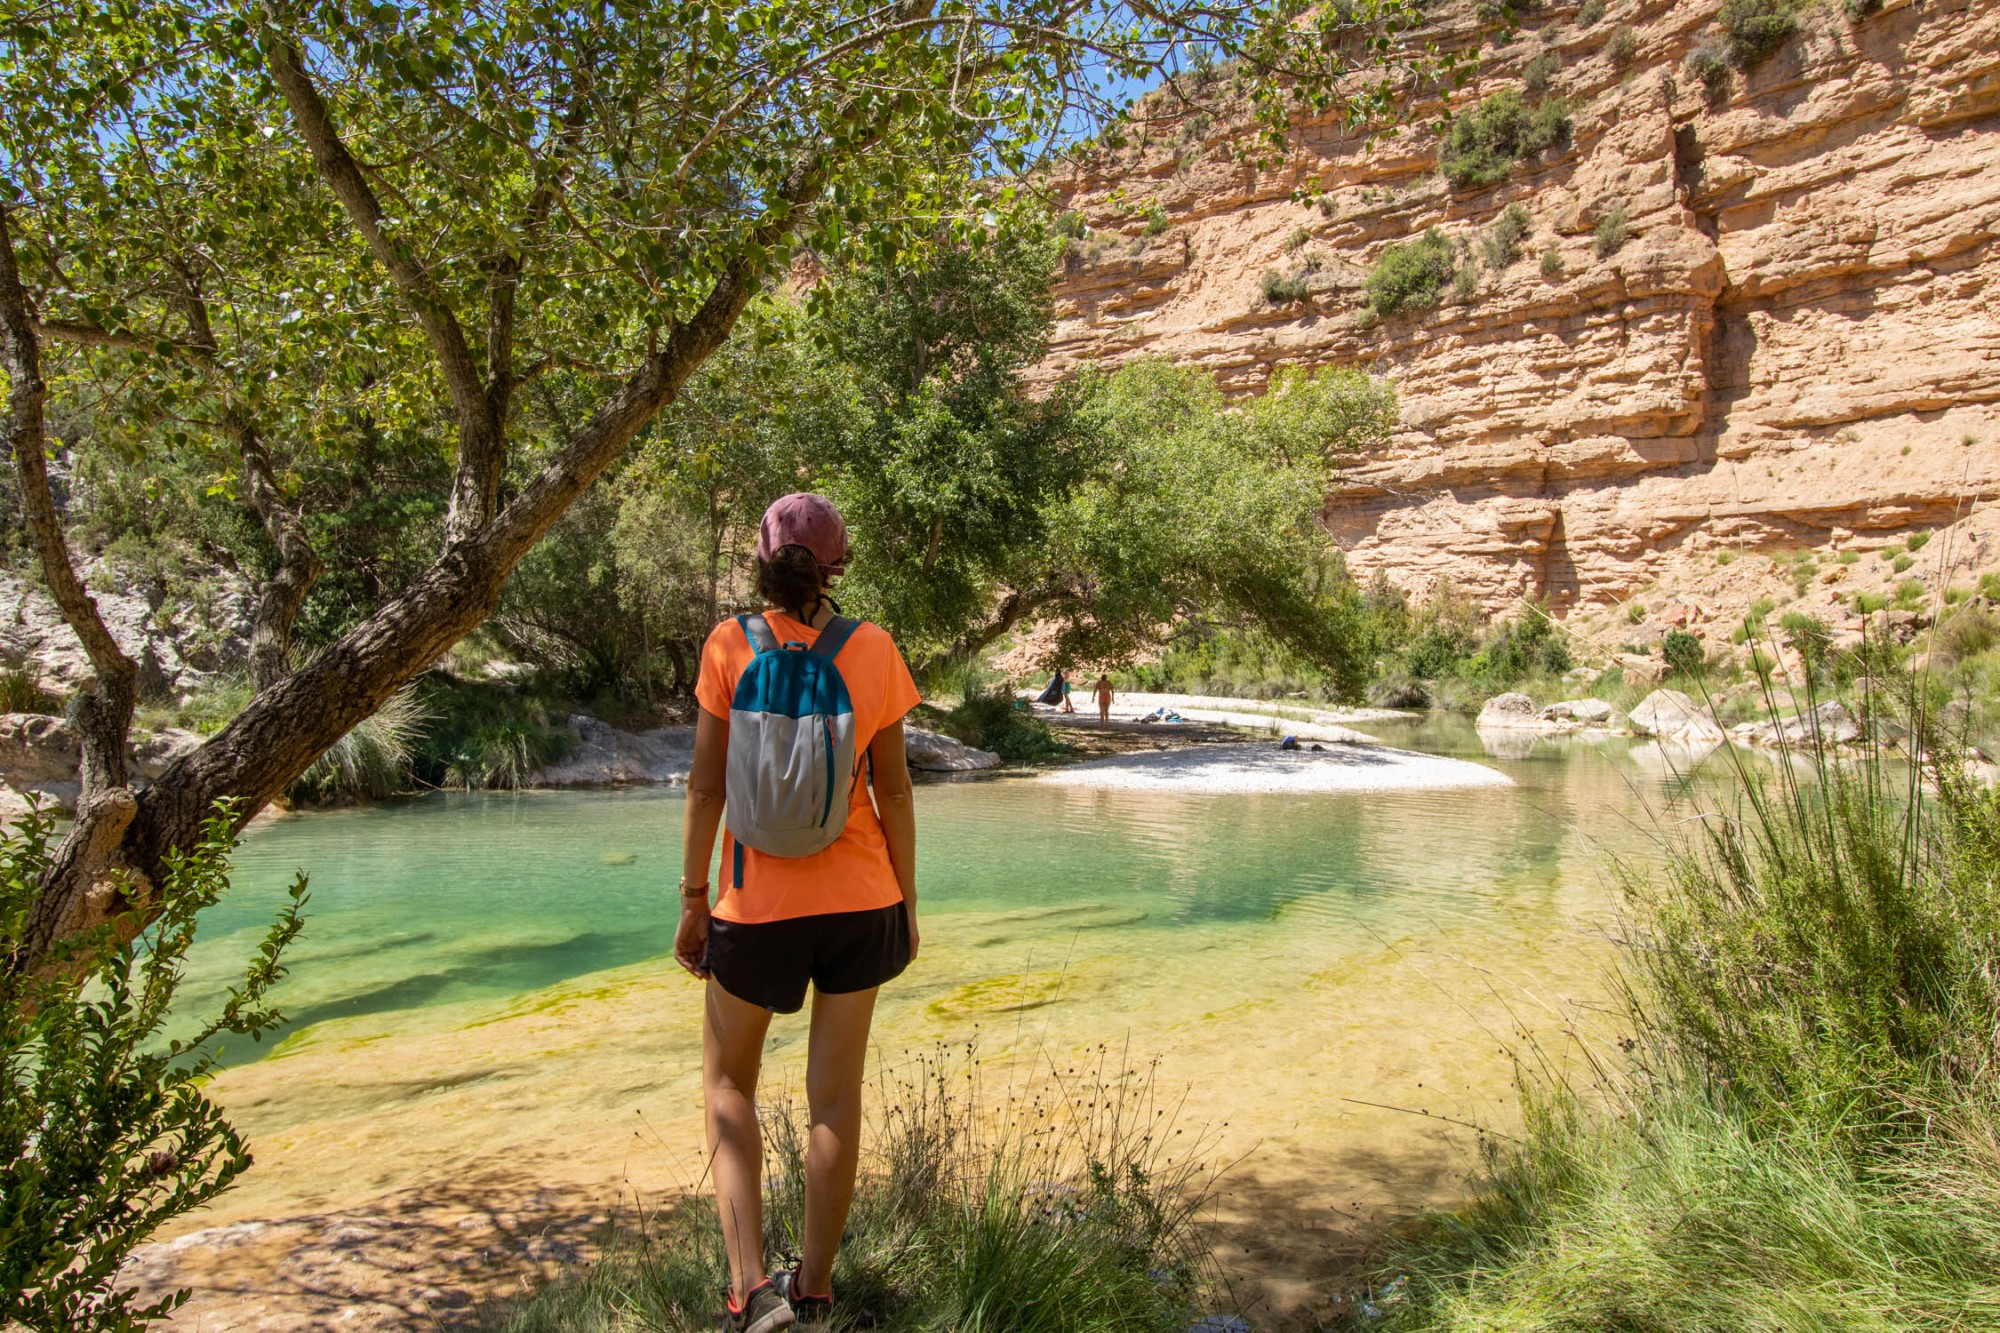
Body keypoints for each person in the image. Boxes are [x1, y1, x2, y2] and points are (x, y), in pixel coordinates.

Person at [675, 493, 921, 1333]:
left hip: (756, 903)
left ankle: (751, 1287)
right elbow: (891, 786)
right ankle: (814, 1287)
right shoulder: (874, 647)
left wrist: (693, 900)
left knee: (726, 1083)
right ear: (837, 564)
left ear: (763, 560)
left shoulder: (727, 643)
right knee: (833, 1100)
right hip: (862, 901)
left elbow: (708, 787)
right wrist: (908, 904)